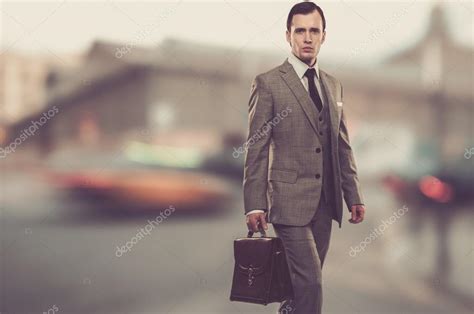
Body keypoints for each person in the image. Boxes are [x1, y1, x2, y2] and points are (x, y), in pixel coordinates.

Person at [242, 2, 366, 313]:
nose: (307, 37)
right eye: (300, 31)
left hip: (325, 205)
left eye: (314, 31)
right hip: (288, 203)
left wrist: (353, 195)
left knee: (301, 290)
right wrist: (255, 202)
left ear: (324, 36)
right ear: (288, 36)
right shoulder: (268, 83)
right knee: (311, 284)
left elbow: (342, 146)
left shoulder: (333, 85)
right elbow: (256, 146)